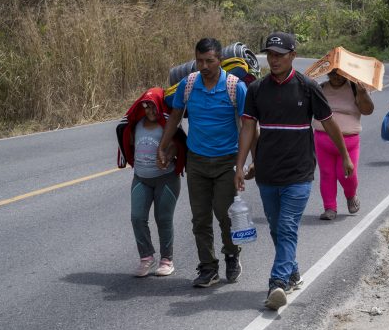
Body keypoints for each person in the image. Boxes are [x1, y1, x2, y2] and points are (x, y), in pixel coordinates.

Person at [234, 32, 354, 310]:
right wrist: (240, 165)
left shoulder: (308, 87)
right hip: (267, 173)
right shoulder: (257, 90)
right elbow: (248, 128)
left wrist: (346, 156)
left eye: (280, 54)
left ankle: (277, 283)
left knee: (287, 227)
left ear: (293, 56)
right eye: (270, 55)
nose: (274, 60)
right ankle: (292, 271)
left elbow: (330, 123)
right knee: (277, 228)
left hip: (298, 173)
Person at [158, 38, 248, 288]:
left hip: (226, 161)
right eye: (200, 61)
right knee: (200, 218)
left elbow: (249, 127)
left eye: (210, 60)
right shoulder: (188, 85)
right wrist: (162, 146)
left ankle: (231, 254)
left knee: (224, 213)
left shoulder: (235, 87)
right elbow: (175, 116)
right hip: (197, 161)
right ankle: (208, 267)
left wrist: (245, 164)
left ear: (220, 59)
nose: (205, 66)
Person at [117, 87, 186, 277]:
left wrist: (167, 157)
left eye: (154, 107)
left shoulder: (167, 125)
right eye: (146, 107)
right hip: (141, 178)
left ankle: (167, 260)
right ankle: (146, 257)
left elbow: (177, 147)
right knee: (137, 217)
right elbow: (128, 143)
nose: (151, 111)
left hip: (166, 179)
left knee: (163, 219)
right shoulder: (136, 125)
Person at [313, 70, 374, 220]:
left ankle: (351, 195)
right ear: (328, 73)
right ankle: (330, 208)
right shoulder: (320, 88)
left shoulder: (355, 88)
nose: (336, 77)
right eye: (333, 73)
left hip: (349, 141)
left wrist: (363, 94)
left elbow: (368, 110)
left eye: (340, 74)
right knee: (327, 174)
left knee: (346, 174)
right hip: (322, 139)